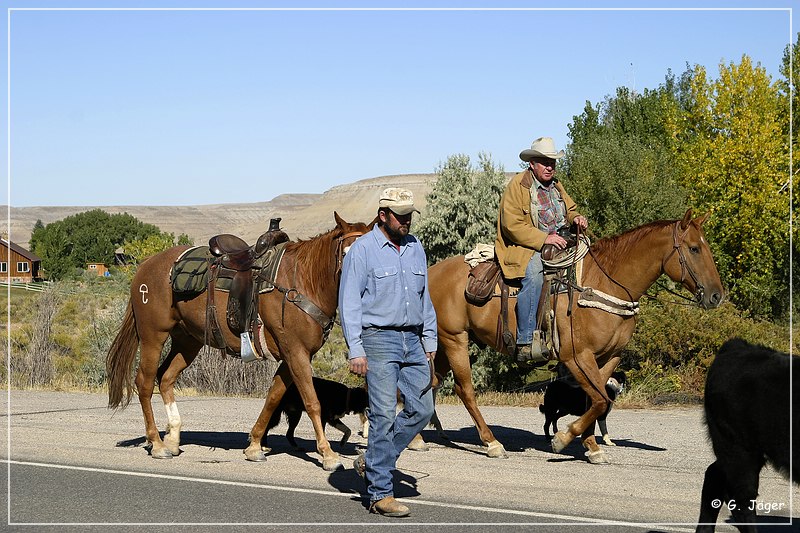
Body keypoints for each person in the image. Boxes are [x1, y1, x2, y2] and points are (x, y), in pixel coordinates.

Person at [338, 187, 437, 518]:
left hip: (413, 340)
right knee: (381, 415)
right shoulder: (363, 251)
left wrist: (430, 341)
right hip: (378, 340)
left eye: (410, 215)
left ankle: (372, 462)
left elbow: (425, 299)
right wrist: (356, 349)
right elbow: (349, 302)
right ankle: (380, 493)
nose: (407, 221)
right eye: (401, 216)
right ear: (383, 216)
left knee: (422, 409)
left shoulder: (415, 247)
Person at [495, 137, 588, 363]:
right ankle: (526, 341)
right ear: (532, 164)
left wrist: (577, 219)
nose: (550, 167)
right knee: (534, 272)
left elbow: (570, 210)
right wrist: (545, 238)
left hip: (560, 242)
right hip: (525, 246)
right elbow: (512, 225)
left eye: (553, 162)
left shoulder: (557, 186)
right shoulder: (518, 186)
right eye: (544, 162)